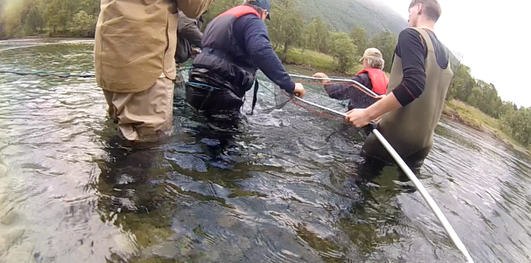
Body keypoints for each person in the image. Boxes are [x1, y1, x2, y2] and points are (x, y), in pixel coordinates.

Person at [345, 0, 453, 166]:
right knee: (392, 190)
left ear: (419, 8)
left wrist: (367, 115)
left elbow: (414, 85)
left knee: (354, 187)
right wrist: (387, 100)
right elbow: (428, 92)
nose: (408, 17)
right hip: (423, 145)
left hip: (395, 137)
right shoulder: (445, 53)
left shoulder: (411, 35)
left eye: (409, 11)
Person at [95, 0, 213, 142]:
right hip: (147, 61)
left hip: (109, 56)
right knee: (149, 143)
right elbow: (193, 8)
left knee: (121, 132)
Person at [186, 0, 306, 116]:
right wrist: (291, 85)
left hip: (195, 82)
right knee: (219, 135)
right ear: (264, 12)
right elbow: (261, 51)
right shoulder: (253, 20)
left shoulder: (221, 18)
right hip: (221, 90)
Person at [313, 48, 389, 110]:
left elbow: (334, 92)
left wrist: (324, 78)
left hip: (356, 121)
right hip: (372, 120)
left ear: (366, 61)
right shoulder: (387, 81)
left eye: (363, 60)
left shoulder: (362, 79)